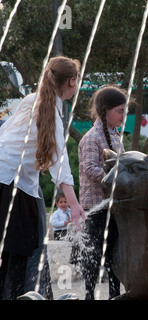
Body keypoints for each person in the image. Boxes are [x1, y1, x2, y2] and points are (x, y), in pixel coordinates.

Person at [0, 56, 85, 299]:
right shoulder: (52, 116)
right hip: (14, 188)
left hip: (7, 180)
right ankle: (19, 294)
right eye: (76, 80)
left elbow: (4, 134)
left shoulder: (30, 101)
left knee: (8, 252)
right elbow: (61, 167)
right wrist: (75, 205)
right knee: (22, 251)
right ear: (70, 81)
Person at [78, 85, 127, 300]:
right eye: (120, 110)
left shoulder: (116, 136)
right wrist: (118, 178)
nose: (123, 115)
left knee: (115, 256)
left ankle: (114, 295)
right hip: (96, 207)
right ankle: (90, 296)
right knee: (94, 257)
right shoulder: (91, 137)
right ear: (105, 110)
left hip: (113, 206)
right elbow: (90, 169)